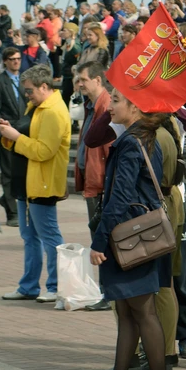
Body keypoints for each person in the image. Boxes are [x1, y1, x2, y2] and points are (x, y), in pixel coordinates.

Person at [90, 90, 172, 370]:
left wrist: (99, 241)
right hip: (138, 234)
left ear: (134, 107)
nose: (109, 106)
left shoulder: (131, 143)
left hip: (130, 238)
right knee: (127, 310)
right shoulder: (142, 137)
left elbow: (119, 197)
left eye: (115, 100)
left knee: (142, 310)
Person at [0, 64, 71, 304]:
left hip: (43, 182)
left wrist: (15, 137)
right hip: (26, 180)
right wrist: (10, 132)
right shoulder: (37, 106)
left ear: (45, 87)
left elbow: (44, 151)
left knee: (49, 236)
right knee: (29, 236)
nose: (27, 95)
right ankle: (28, 286)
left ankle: (56, 285)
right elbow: (26, 136)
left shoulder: (54, 111)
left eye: (30, 91)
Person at [0, 48, 25, 227]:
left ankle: (10, 199)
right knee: (8, 172)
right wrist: (3, 130)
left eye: (18, 58)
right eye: (12, 59)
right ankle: (12, 212)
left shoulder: (25, 79)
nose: (16, 62)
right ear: (5, 61)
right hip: (7, 132)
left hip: (25, 132)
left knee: (22, 171)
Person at [74, 61, 112, 241]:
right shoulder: (91, 105)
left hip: (102, 187)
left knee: (102, 242)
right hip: (95, 183)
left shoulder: (106, 107)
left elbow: (110, 150)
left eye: (83, 79)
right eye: (78, 80)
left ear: (97, 80)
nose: (79, 84)